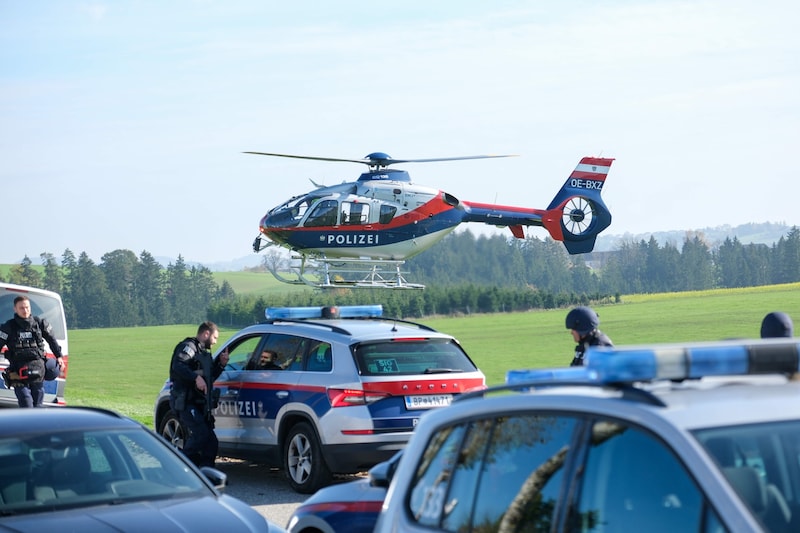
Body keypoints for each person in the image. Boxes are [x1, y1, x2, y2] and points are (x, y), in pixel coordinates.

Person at [169, 321, 229, 467]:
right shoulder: (189, 347)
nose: (215, 342)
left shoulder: (203, 353)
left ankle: (207, 475)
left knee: (211, 441)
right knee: (201, 434)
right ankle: (179, 467)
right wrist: (195, 378)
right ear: (206, 333)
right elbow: (178, 366)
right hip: (186, 401)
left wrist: (221, 364)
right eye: (215, 338)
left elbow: (208, 378)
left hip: (199, 403)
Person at [0, 295, 65, 407]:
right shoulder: (8, 327)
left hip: (37, 370)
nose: (25, 310)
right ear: (15, 309)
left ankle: (36, 424)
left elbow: (52, 340)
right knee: (26, 401)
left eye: (27, 307)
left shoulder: (39, 324)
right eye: (21, 308)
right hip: (18, 372)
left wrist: (59, 356)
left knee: (38, 404)